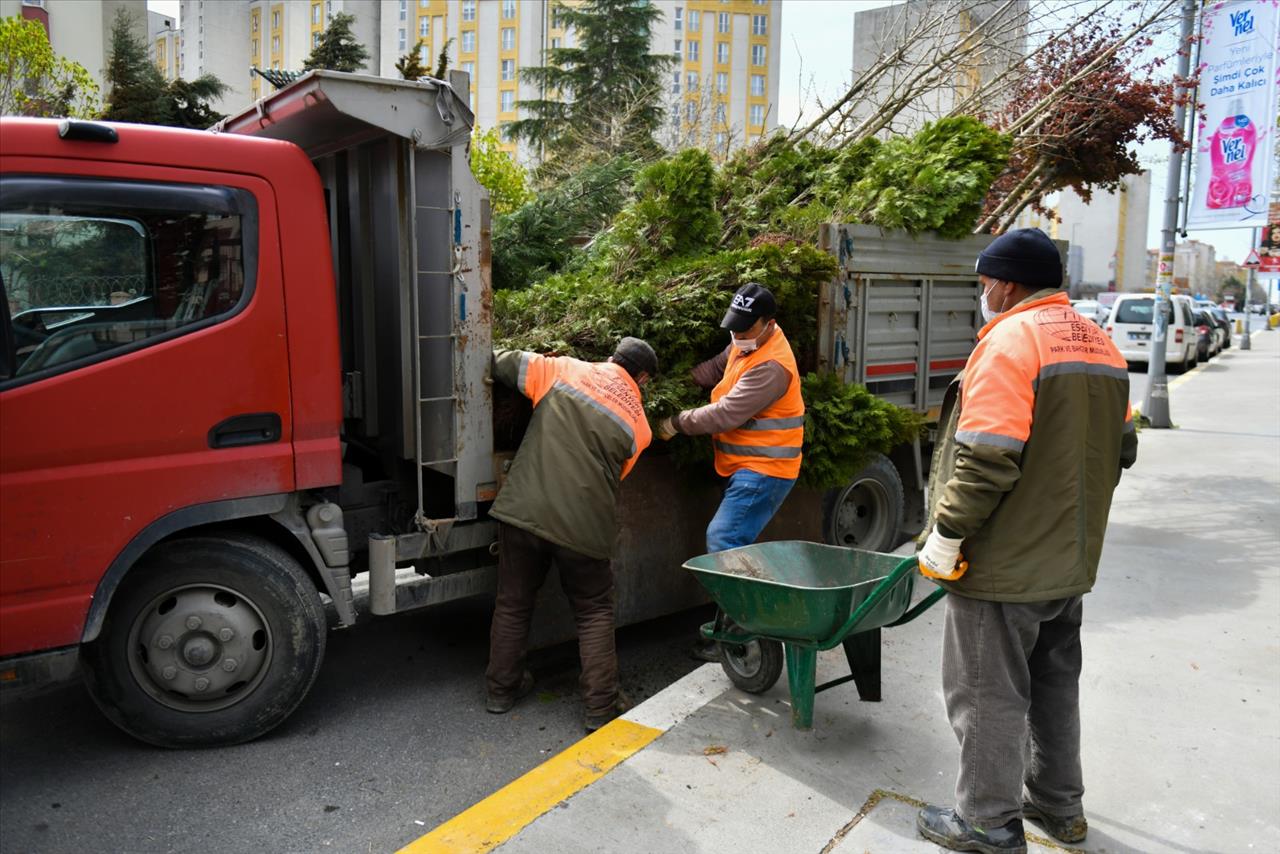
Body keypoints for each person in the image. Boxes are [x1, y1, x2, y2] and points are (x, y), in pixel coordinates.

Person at [915, 228, 1138, 854]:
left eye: (986, 283)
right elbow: (1124, 447)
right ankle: (1060, 808)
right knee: (1054, 683)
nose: (983, 293)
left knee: (985, 690)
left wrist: (947, 534)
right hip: (1070, 560)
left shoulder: (1010, 342)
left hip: (1004, 565)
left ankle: (987, 820)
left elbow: (986, 461)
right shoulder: (1101, 343)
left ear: (1006, 284)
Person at [485, 337, 656, 733]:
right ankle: (599, 707)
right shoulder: (640, 427)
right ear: (642, 378)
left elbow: (497, 361)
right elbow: (617, 476)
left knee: (513, 601)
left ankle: (501, 690)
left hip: (523, 510)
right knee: (594, 610)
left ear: (612, 356)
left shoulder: (564, 369)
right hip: (584, 528)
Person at [656, 283, 804, 660]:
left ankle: (743, 636)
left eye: (745, 329)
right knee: (732, 546)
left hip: (765, 469)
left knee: (724, 539)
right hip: (746, 465)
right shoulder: (746, 343)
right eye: (733, 328)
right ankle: (739, 625)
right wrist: (676, 384)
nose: (737, 336)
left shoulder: (772, 366)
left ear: (769, 323)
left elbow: (726, 413)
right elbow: (716, 367)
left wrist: (675, 421)